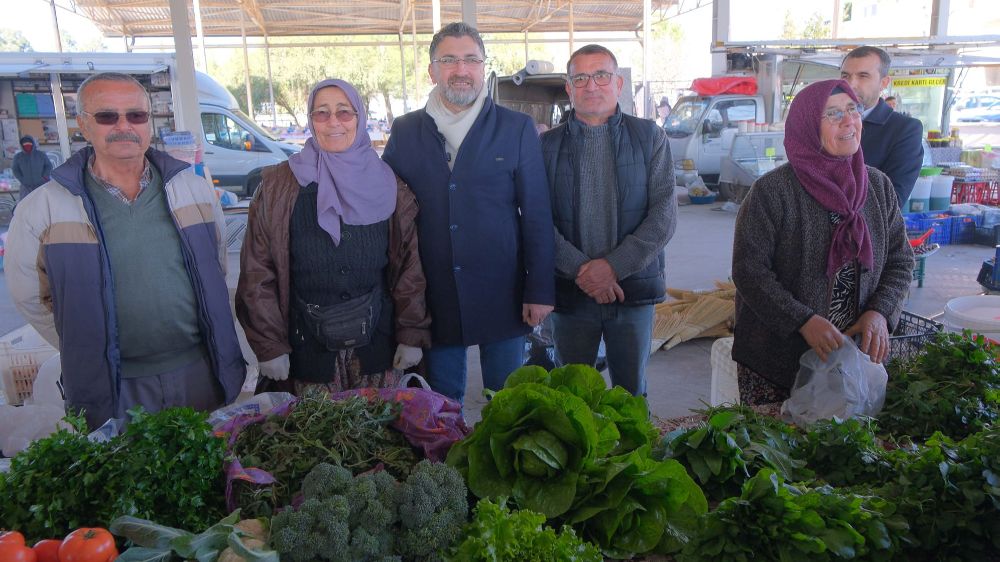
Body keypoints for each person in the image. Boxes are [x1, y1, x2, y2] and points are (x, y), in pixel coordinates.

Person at [6, 72, 245, 430]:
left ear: (149, 123)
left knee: (207, 475)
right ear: (83, 126)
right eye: (107, 116)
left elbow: (215, 266)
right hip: (114, 386)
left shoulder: (192, 189)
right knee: (127, 478)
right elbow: (31, 298)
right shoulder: (43, 208)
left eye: (136, 115)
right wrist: (90, 345)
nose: (124, 126)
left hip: (199, 371)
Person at [382, 22, 555, 403]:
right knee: (442, 402)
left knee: (507, 401)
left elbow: (538, 214)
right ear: (432, 70)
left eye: (471, 60)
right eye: (449, 60)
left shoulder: (516, 128)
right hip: (434, 293)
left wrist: (540, 289)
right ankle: (448, 462)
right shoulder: (407, 130)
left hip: (505, 290)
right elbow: (389, 210)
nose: (461, 69)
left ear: (483, 67)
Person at [236, 78, 430, 394]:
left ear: (360, 117)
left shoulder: (389, 185)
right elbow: (258, 272)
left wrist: (412, 335)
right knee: (314, 440)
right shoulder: (278, 187)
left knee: (378, 438)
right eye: (321, 113)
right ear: (311, 121)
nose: (333, 122)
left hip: (377, 352)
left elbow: (410, 270)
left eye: (344, 112)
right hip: (306, 353)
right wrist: (269, 345)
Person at [731, 79, 914, 405]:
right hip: (776, 359)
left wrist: (880, 312)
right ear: (807, 126)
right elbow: (749, 271)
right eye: (832, 114)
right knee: (779, 449)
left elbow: (900, 260)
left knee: (842, 449)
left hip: (852, 356)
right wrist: (801, 321)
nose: (848, 121)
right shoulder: (773, 192)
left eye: (852, 109)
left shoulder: (877, 187)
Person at [539, 44, 677, 397]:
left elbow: (664, 215)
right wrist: (583, 271)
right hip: (572, 292)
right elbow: (534, 219)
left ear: (618, 84)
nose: (591, 85)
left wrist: (613, 267)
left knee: (631, 394)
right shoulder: (545, 146)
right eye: (580, 78)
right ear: (569, 89)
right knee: (572, 400)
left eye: (601, 75)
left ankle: (634, 453)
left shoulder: (650, 137)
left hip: (631, 291)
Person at [840, 46, 923, 204]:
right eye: (845, 76)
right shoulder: (826, 120)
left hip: (865, 227)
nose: (851, 84)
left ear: (884, 82)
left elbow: (893, 201)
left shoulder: (904, 129)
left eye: (863, 76)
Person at [12, 135, 52, 200]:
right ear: (22, 145)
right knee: (26, 205)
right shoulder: (18, 157)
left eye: (29, 144)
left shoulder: (41, 154)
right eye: (25, 144)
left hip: (41, 185)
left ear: (33, 144)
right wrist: (22, 179)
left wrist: (45, 177)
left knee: (42, 204)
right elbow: (15, 169)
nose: (27, 146)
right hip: (26, 187)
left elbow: (48, 166)